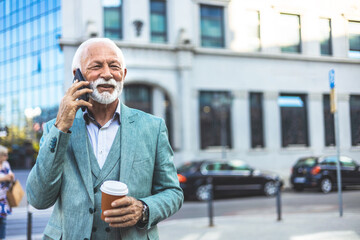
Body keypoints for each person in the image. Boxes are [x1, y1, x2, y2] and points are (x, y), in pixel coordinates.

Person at [26, 38, 183, 240]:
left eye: (114, 66)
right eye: (96, 66)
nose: (108, 74)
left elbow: (173, 192)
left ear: (123, 75)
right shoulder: (54, 129)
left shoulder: (153, 127)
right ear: (77, 75)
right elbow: (38, 199)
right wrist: (61, 127)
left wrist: (144, 209)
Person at [0, 145, 15, 240]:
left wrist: (11, 177)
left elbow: (11, 175)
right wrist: (4, 178)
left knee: (3, 222)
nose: (7, 157)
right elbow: (5, 177)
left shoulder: (6, 164)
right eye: (4, 155)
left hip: (3, 198)